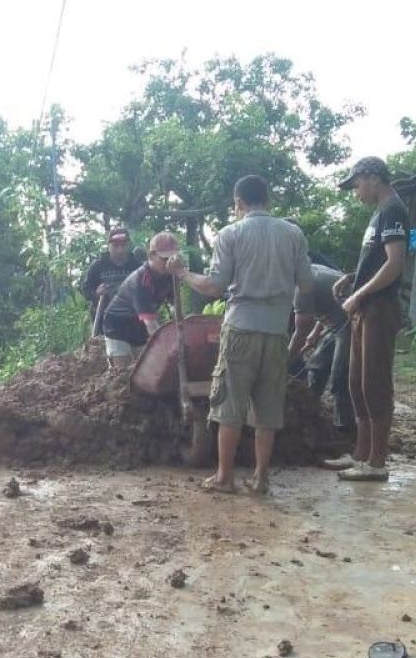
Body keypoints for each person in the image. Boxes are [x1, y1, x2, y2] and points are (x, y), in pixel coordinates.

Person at [172, 175, 312, 495]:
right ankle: (261, 478)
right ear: (268, 200)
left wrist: (182, 273)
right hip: (277, 332)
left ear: (239, 203)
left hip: (241, 329)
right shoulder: (292, 234)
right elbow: (306, 284)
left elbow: (214, 286)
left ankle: (225, 477)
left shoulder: (231, 234)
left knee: (229, 405)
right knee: (267, 407)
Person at [328, 157, 408, 482]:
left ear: (373, 178)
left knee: (374, 384)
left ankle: (376, 462)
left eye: (356, 184)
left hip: (378, 309)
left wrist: (360, 295)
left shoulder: (393, 210)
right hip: (365, 308)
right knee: (356, 384)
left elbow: (394, 264)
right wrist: (353, 278)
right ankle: (360, 454)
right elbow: (376, 261)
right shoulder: (379, 212)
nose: (355, 192)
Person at [288, 263, 354, 435]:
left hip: (353, 323)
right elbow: (327, 301)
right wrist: (315, 334)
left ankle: (345, 430)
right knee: (316, 364)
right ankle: (310, 413)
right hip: (337, 323)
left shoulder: (301, 285)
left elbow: (300, 331)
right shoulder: (311, 269)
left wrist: (284, 363)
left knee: (340, 376)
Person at [101, 232, 180, 370]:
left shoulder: (171, 276)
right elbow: (150, 323)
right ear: (151, 256)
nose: (169, 263)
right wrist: (167, 348)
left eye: (172, 258)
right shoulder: (141, 280)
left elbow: (175, 308)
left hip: (139, 326)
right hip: (118, 325)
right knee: (120, 373)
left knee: (145, 371)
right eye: (164, 259)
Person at [81, 227, 142, 337]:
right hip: (104, 321)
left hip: (133, 321)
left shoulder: (137, 266)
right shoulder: (97, 266)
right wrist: (96, 293)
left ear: (128, 246)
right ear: (108, 246)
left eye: (123, 245)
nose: (120, 250)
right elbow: (85, 290)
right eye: (115, 246)